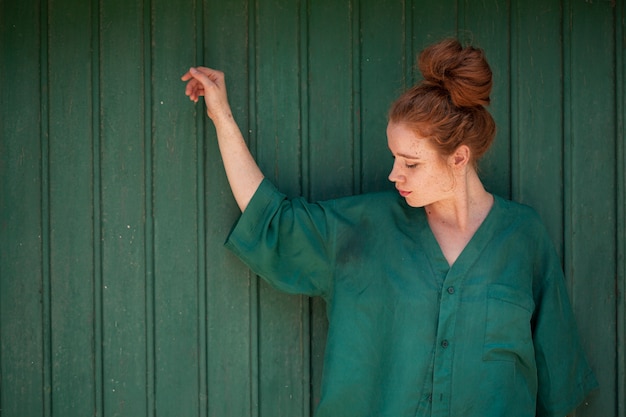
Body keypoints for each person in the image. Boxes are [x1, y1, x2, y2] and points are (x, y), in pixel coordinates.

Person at [182, 38, 597, 417]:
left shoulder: (523, 238)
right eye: (394, 157)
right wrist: (222, 117)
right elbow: (273, 221)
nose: (394, 174)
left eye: (411, 163)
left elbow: (558, 381)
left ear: (459, 158)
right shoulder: (364, 229)